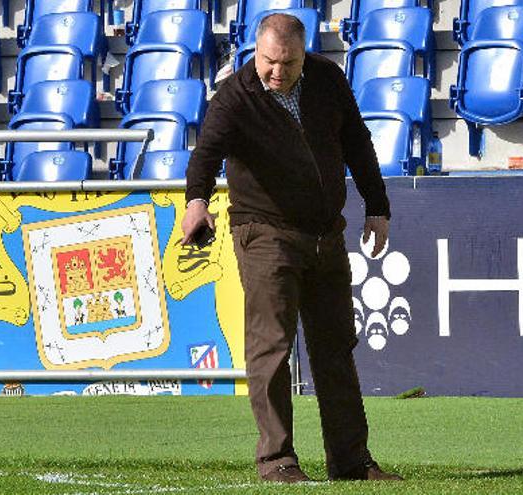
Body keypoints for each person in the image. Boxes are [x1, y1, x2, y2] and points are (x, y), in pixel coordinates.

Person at [181, 13, 400, 483]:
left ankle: (353, 462)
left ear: (304, 54)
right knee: (272, 347)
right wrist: (196, 201)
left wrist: (377, 206)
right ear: (255, 53)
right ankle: (277, 461)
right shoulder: (235, 97)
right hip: (264, 231)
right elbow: (205, 154)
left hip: (325, 234)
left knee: (335, 348)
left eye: (288, 62)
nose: (277, 72)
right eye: (268, 62)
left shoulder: (327, 79)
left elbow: (358, 143)